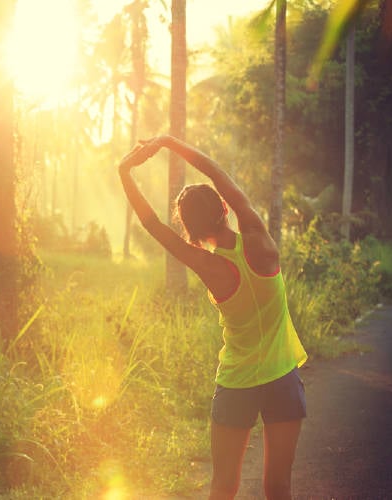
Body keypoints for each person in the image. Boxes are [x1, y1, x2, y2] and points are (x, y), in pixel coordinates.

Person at [118, 135, 308, 500]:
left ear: (189, 229)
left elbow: (152, 223)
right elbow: (217, 173)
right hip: (283, 378)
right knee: (279, 487)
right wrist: (168, 142)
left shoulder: (205, 265)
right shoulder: (258, 237)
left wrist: (124, 171)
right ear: (224, 207)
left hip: (237, 384)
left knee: (222, 487)